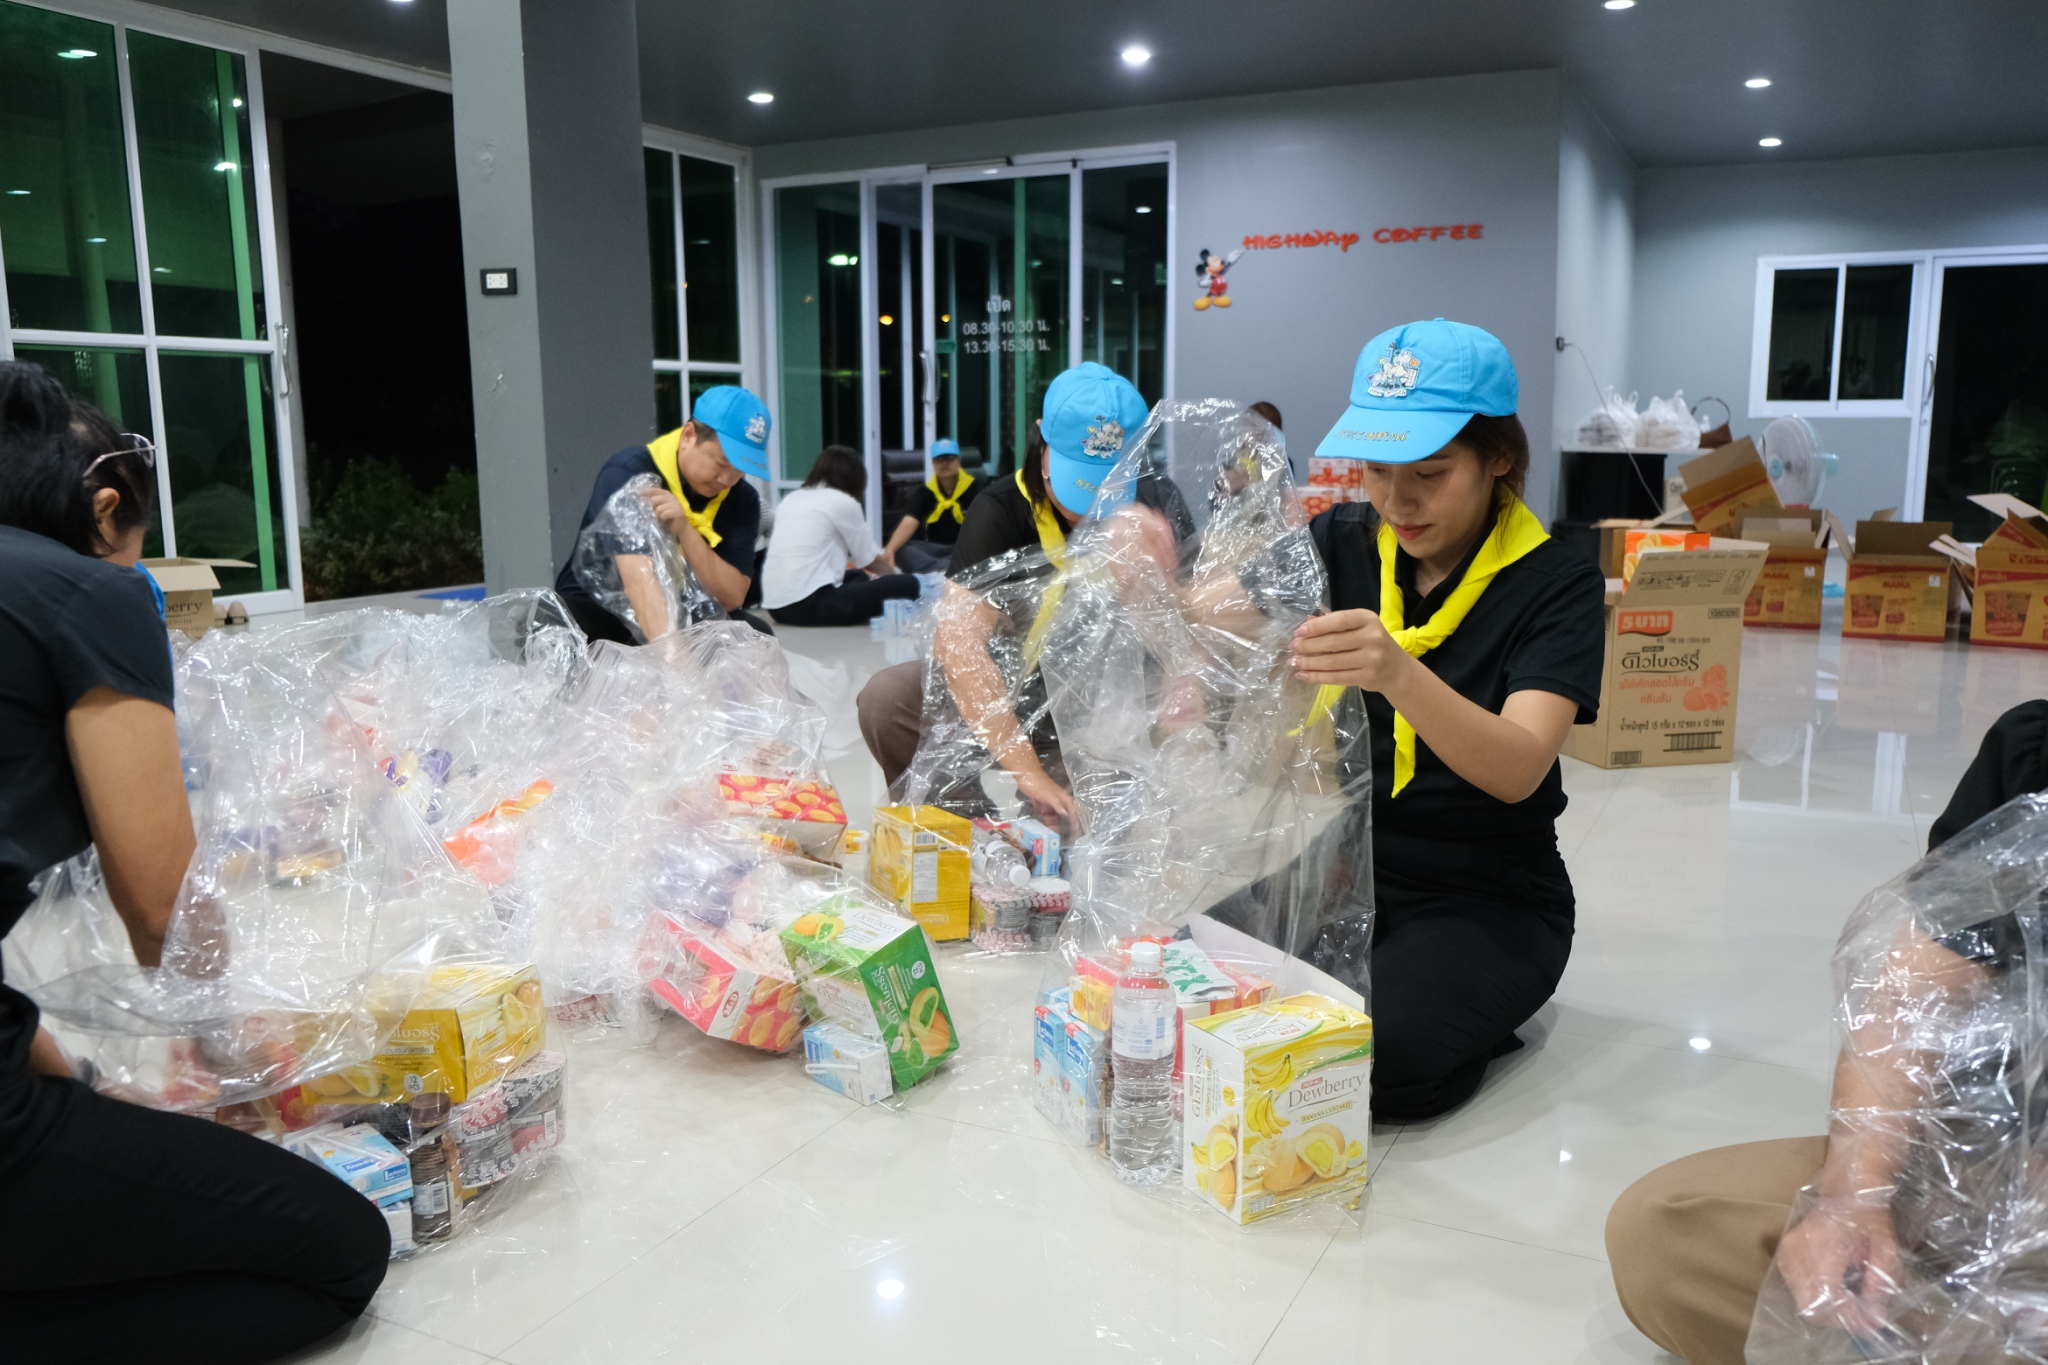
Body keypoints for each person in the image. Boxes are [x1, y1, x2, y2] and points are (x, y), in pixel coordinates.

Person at [0, 361, 390, 1363]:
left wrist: (76, 1081)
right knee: (338, 1251)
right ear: (105, 506)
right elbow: (161, 906)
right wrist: (229, 1053)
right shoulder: (86, 593)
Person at [1211, 320, 1607, 1121]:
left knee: (1372, 1053)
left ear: (1500, 459)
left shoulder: (1555, 583)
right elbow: (1218, 611)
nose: (1398, 501)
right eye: (1379, 471)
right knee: (1204, 973)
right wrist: (1139, 585)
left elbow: (1518, 766)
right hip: (1351, 862)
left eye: (1430, 472)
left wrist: (1396, 670)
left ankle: (1469, 1012)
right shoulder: (1344, 536)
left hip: (1490, 892)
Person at [1604, 698, 2048, 1365]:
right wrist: (1856, 1192)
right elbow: (1916, 990)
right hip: (1984, 1162)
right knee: (1666, 1231)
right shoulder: (2034, 753)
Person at [856, 362, 1192, 827]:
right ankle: (967, 826)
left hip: (1105, 710)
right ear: (1041, 443)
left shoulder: (1154, 503)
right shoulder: (1000, 510)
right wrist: (1027, 773)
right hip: (1016, 691)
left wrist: (1154, 584)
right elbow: (958, 646)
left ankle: (1053, 824)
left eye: (1108, 485)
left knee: (1076, 834)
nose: (1090, 508)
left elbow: (1192, 638)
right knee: (888, 698)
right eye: (1079, 483)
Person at [555, 385, 772, 642]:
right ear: (689, 435)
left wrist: (685, 531)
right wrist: (673, 659)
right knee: (557, 628)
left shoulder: (743, 499)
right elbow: (638, 580)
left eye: (739, 470)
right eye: (722, 464)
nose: (726, 479)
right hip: (602, 611)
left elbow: (730, 598)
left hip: (681, 611)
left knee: (755, 636)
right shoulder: (629, 473)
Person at [761, 444, 920, 627]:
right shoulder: (843, 501)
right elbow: (871, 561)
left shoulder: (791, 498)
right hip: (810, 606)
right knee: (907, 584)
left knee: (859, 577)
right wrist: (897, 577)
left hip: (777, 608)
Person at [882, 437, 981, 575]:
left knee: (979, 552)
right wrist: (889, 550)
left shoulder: (974, 489)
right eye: (939, 459)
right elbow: (910, 520)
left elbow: (983, 524)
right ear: (933, 463)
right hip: (934, 550)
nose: (944, 463)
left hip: (962, 548)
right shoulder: (926, 491)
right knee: (901, 549)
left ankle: (941, 568)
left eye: (949, 458)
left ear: (959, 461)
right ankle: (949, 568)